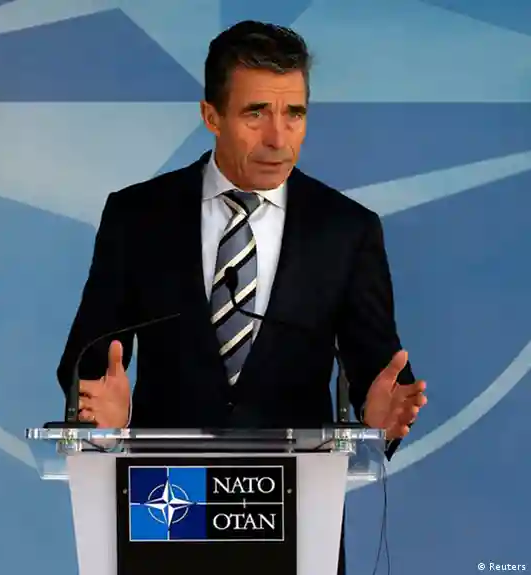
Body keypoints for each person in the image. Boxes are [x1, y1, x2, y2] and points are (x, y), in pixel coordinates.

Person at [56, 20, 427, 574]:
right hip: (167, 507)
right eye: (256, 113)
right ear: (212, 116)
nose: (279, 138)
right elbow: (87, 358)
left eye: (294, 114)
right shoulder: (139, 216)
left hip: (292, 518)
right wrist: (101, 417)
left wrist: (376, 421)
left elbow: (381, 370)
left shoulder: (345, 230)